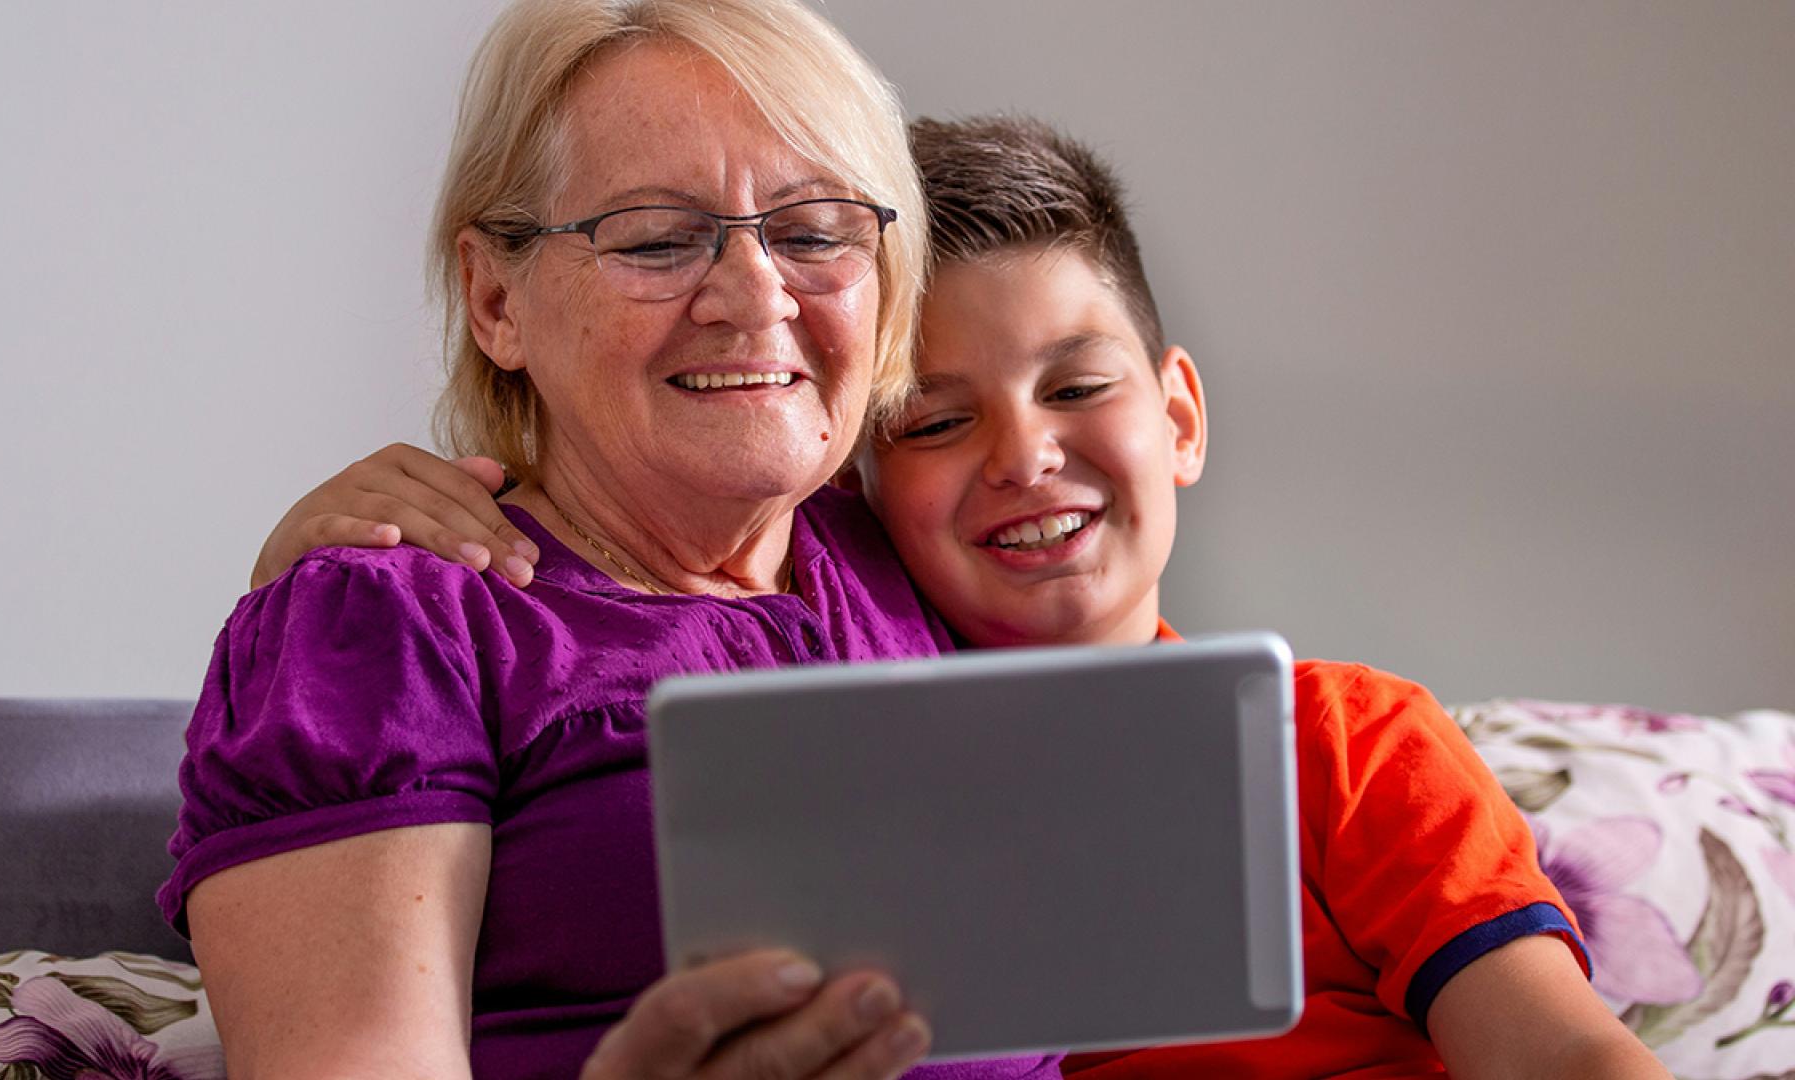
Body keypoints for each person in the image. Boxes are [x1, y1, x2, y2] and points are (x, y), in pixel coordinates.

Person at [260, 113, 1674, 1077]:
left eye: (1079, 386)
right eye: (933, 421)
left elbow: (1562, 1050)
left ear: (1179, 415)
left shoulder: (1346, 741)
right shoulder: (833, 768)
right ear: (852, 493)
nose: (1026, 457)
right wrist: (309, 559)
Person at [158, 1, 1063, 1078]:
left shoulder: (903, 544)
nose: (755, 295)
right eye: (655, 239)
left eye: (815, 232)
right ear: (495, 299)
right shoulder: (393, 623)